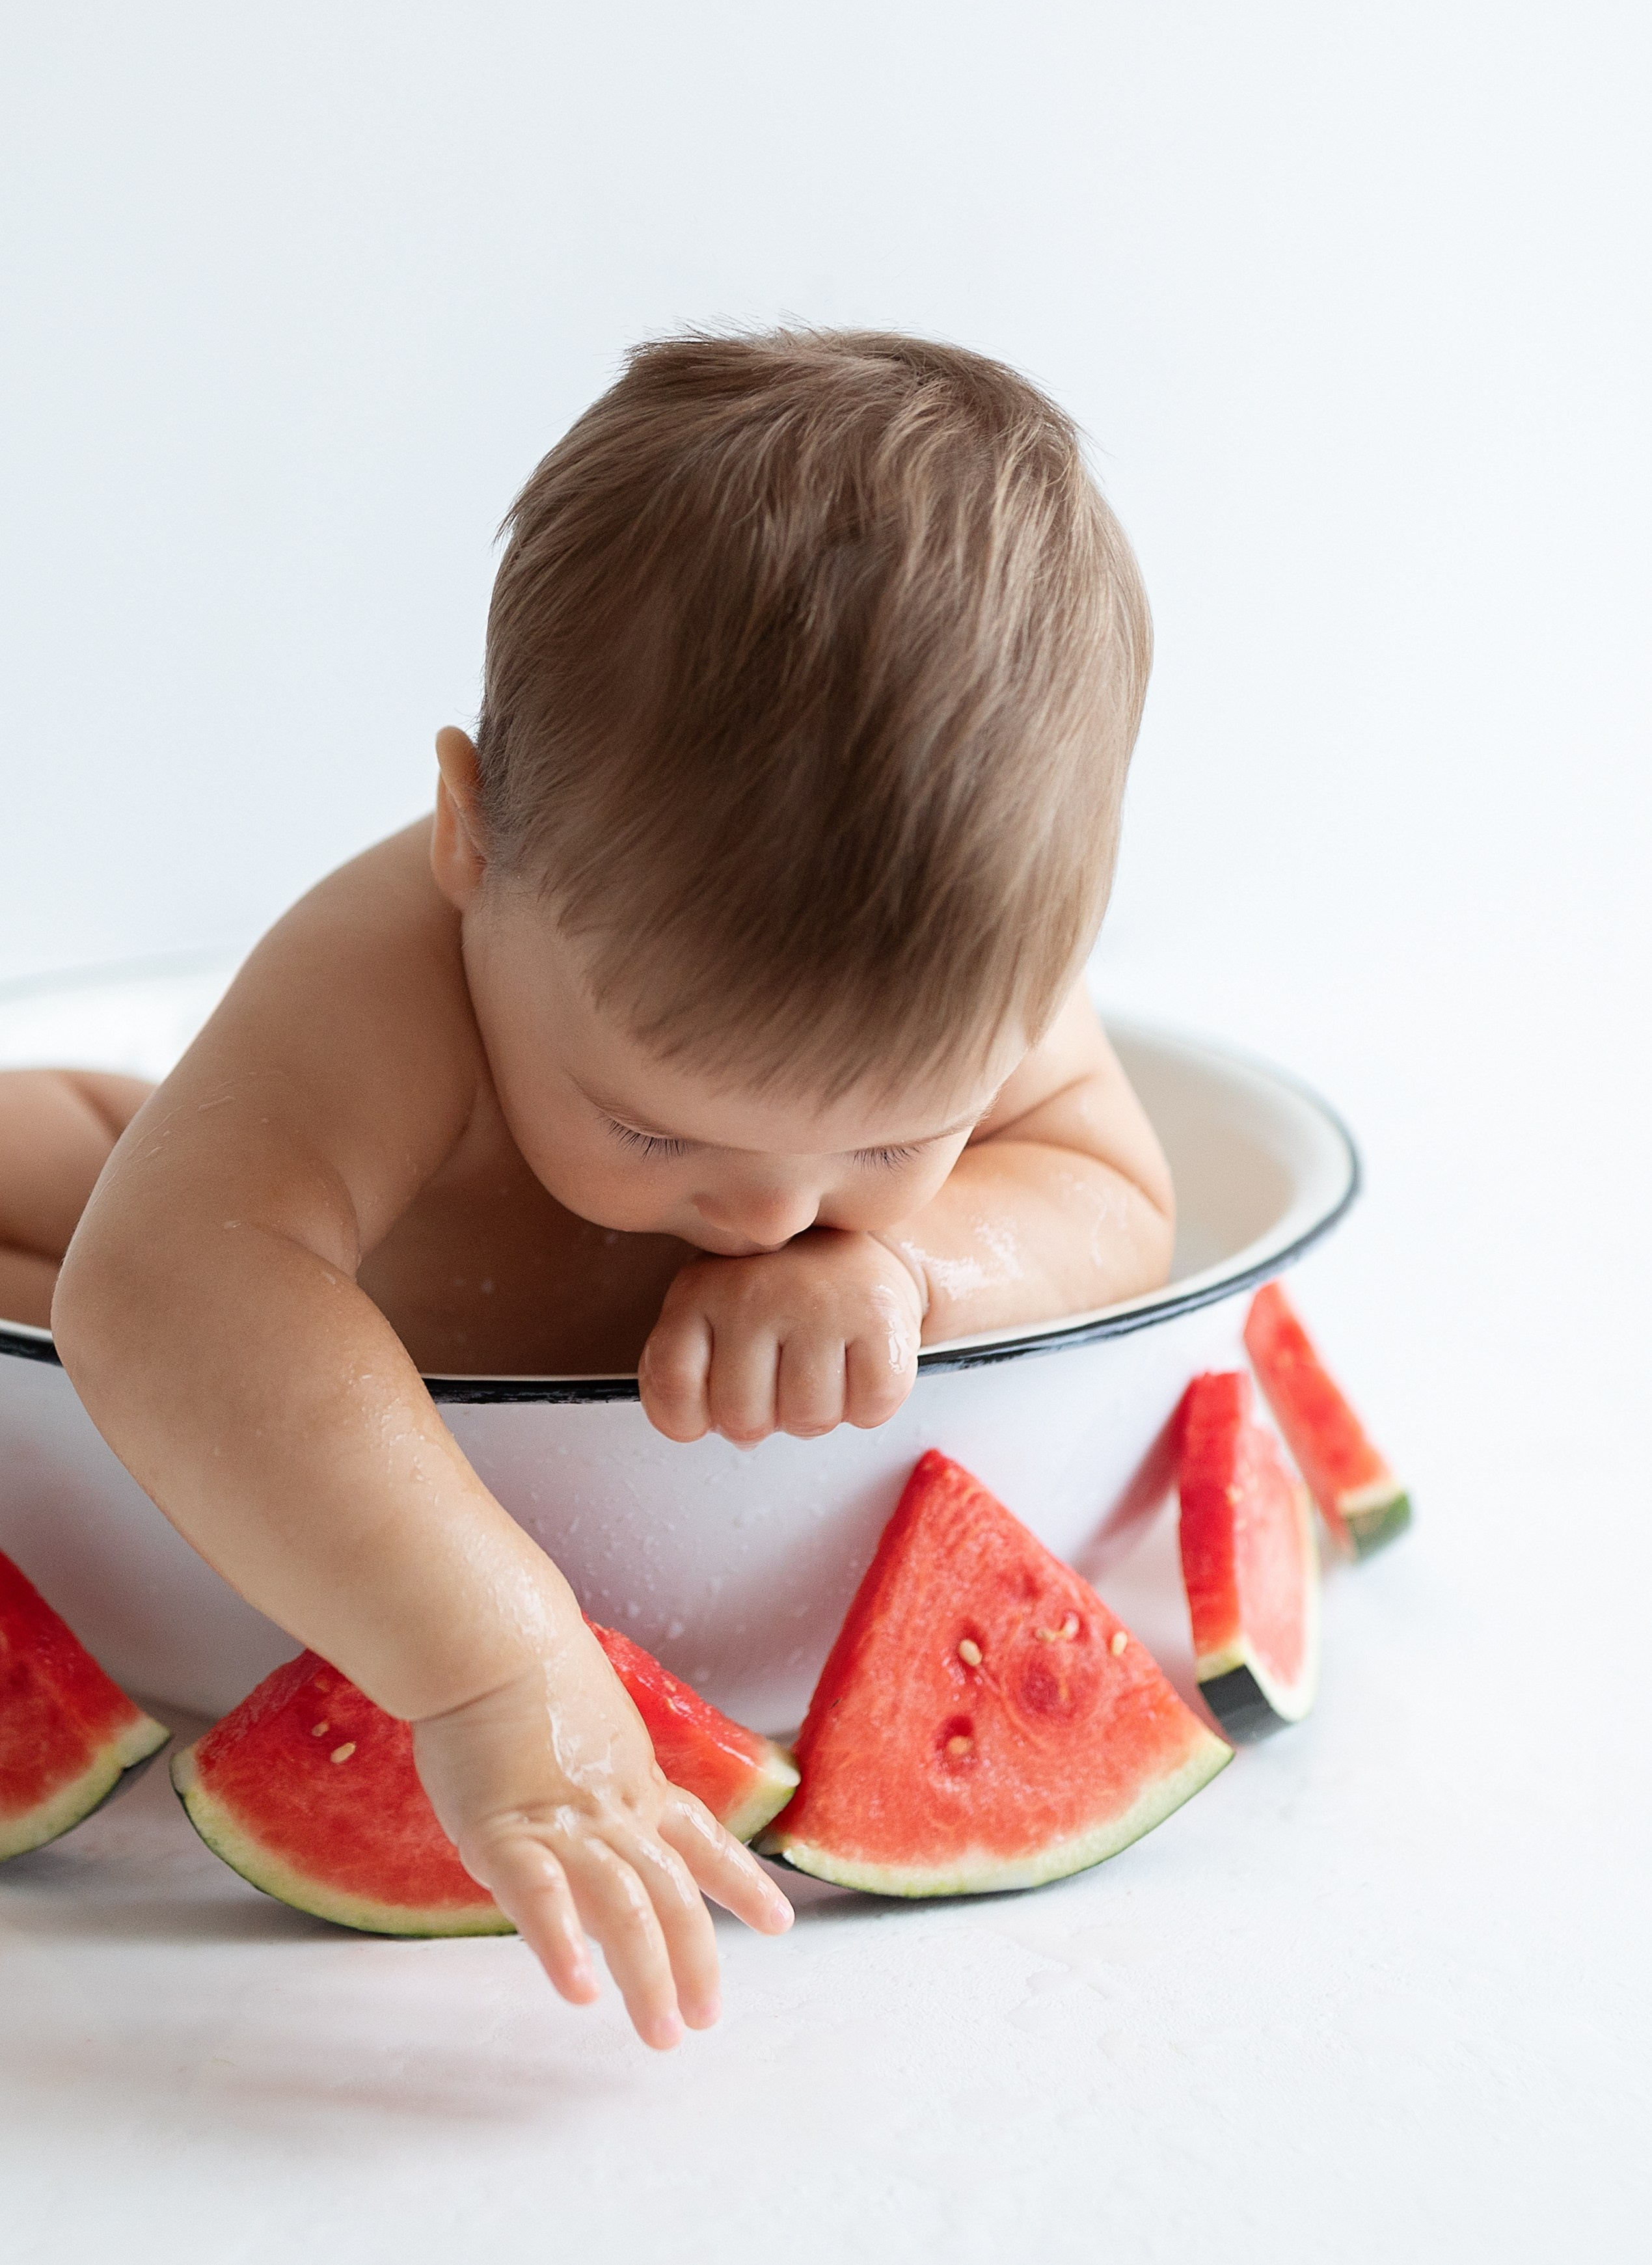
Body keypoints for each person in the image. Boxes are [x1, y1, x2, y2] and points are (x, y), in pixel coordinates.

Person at [16, 330, 1174, 2050]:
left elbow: (1108, 1187)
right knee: (95, 1210)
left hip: (425, 1376)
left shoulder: (950, 967)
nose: (771, 1216)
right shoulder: (395, 971)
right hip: (313, 1273)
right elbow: (169, 1275)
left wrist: (918, 1265)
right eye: (649, 1129)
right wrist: (498, 1666)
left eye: (878, 1144)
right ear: (472, 839)